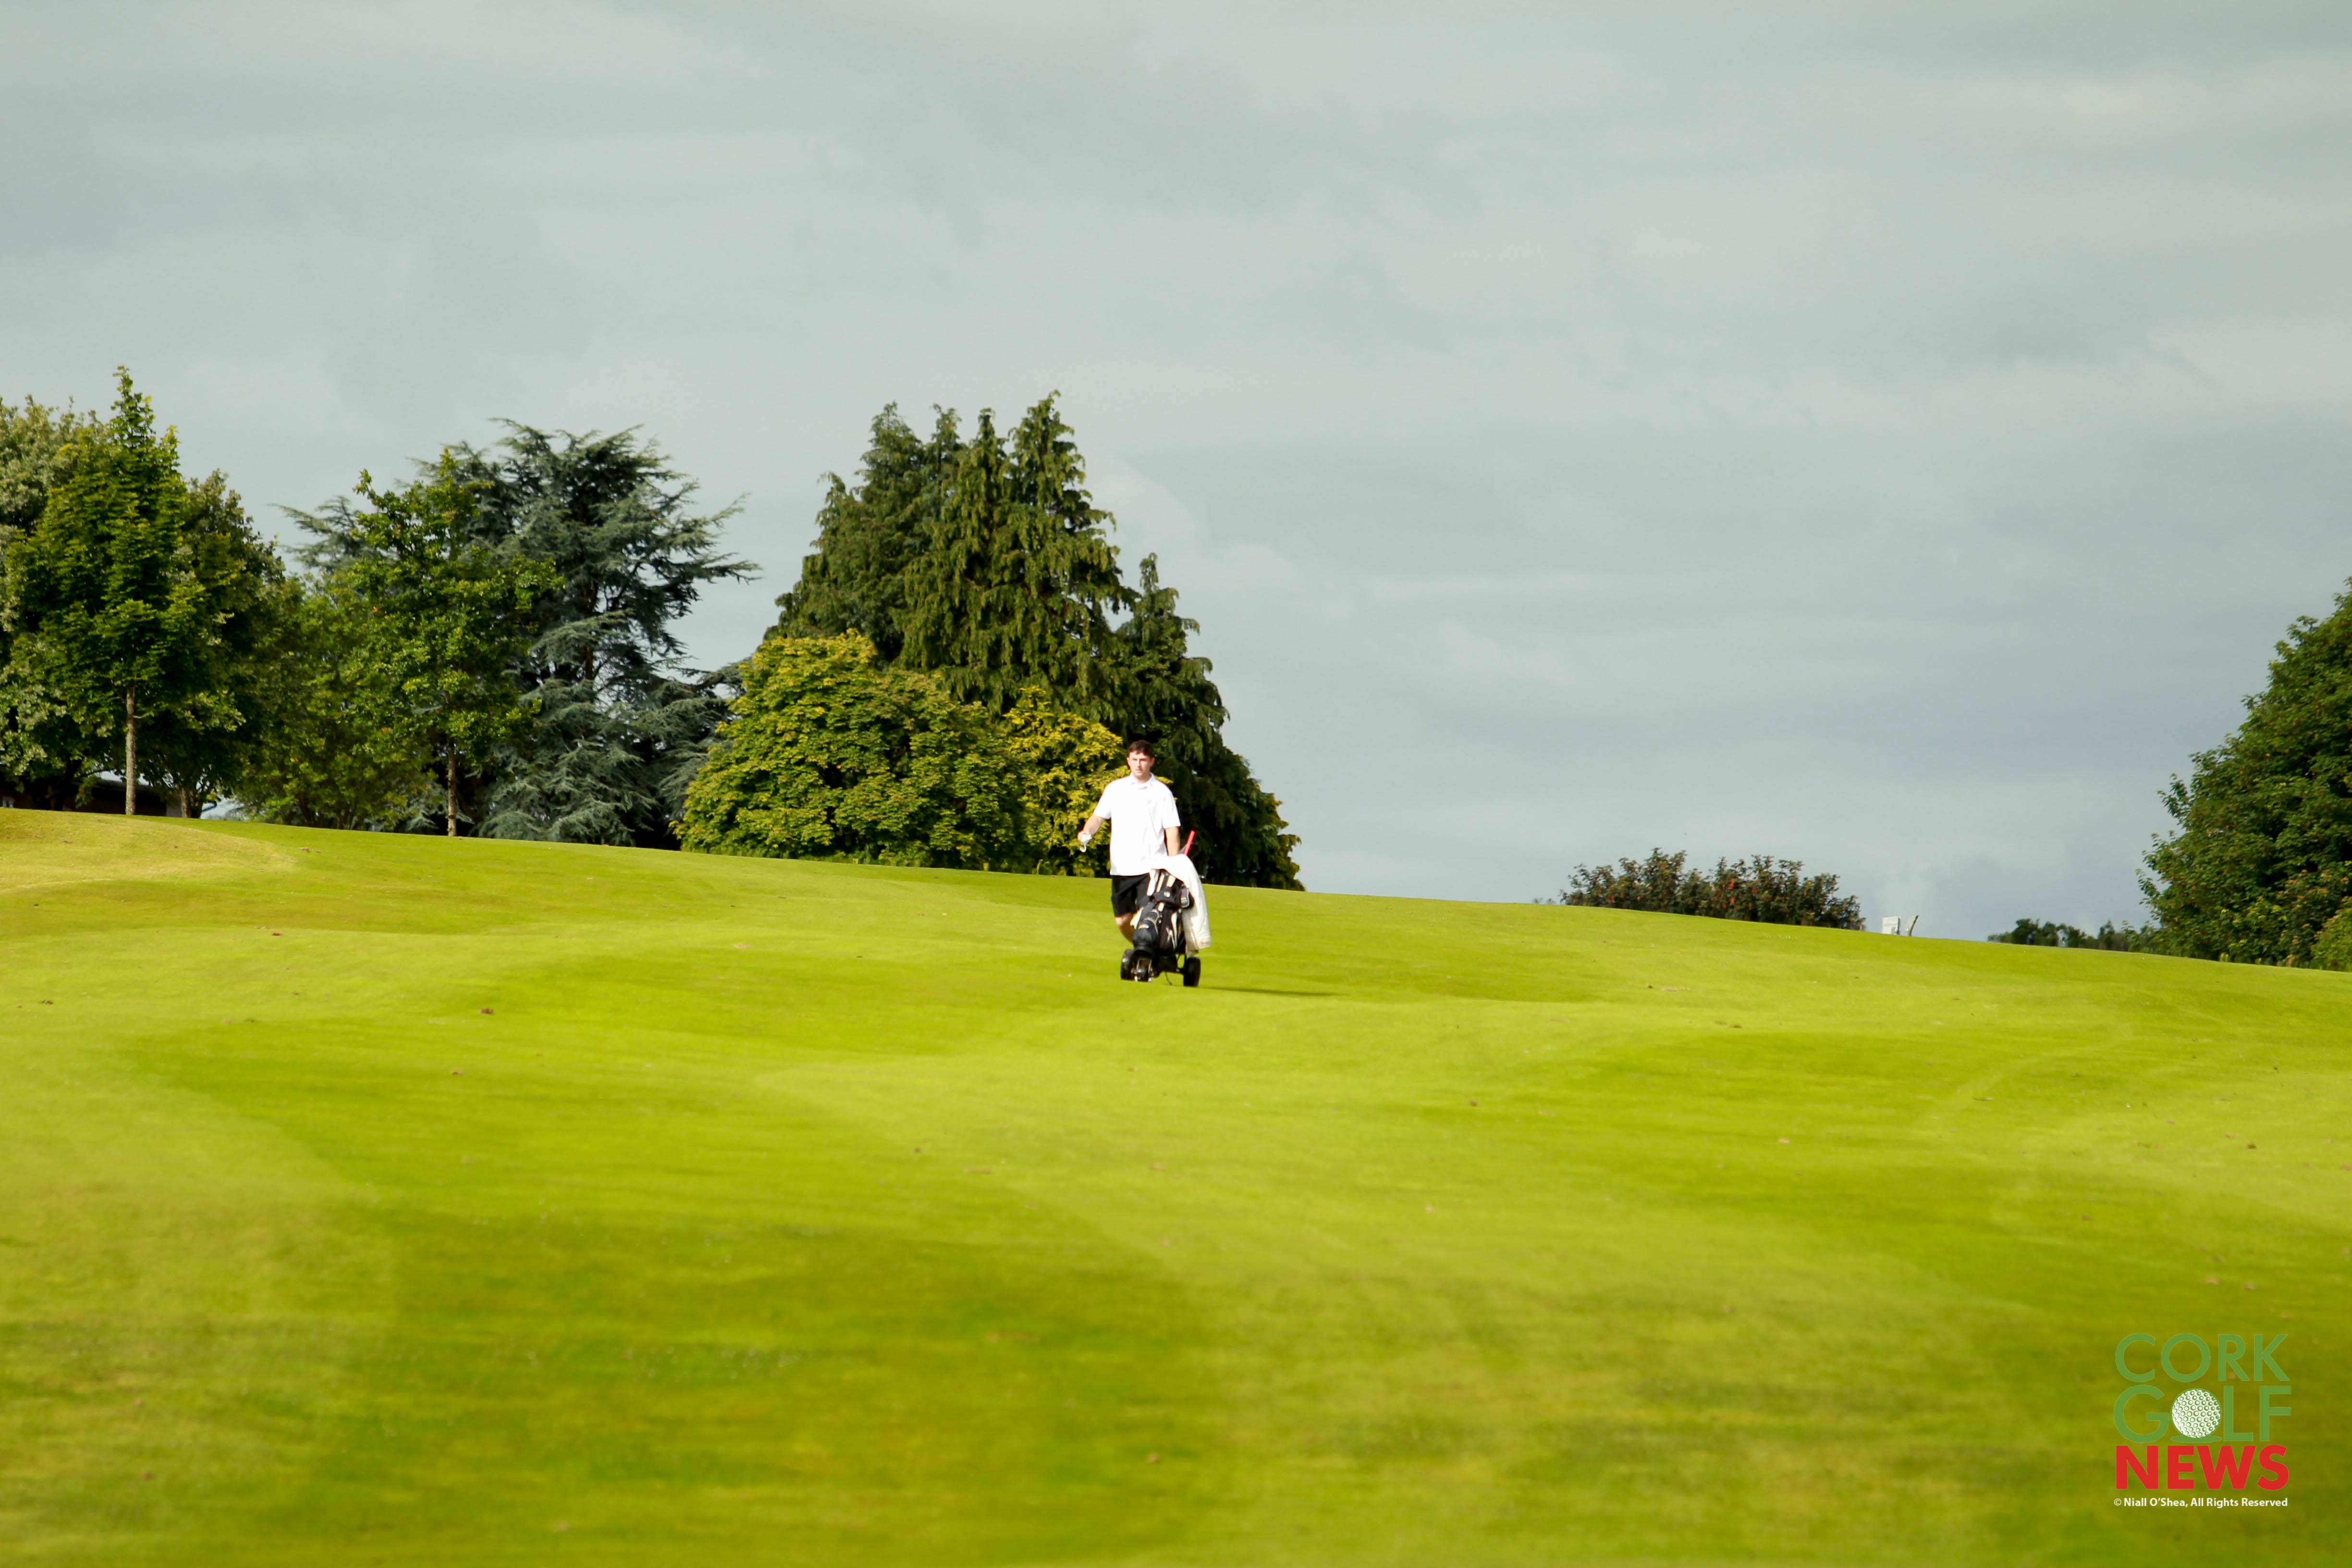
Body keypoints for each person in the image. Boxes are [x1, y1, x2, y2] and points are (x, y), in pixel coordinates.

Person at [1077, 738, 1183, 942]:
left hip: (1152, 867)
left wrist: (1174, 864)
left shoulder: (1162, 793)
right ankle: (1142, 948)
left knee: (1147, 917)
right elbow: (1098, 817)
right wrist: (1087, 832)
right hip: (1122, 868)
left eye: (1143, 760)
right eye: (1134, 760)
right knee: (1123, 921)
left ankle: (1148, 949)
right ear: (1128, 761)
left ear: (1152, 761)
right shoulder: (1116, 789)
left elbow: (1172, 830)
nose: (1138, 764)